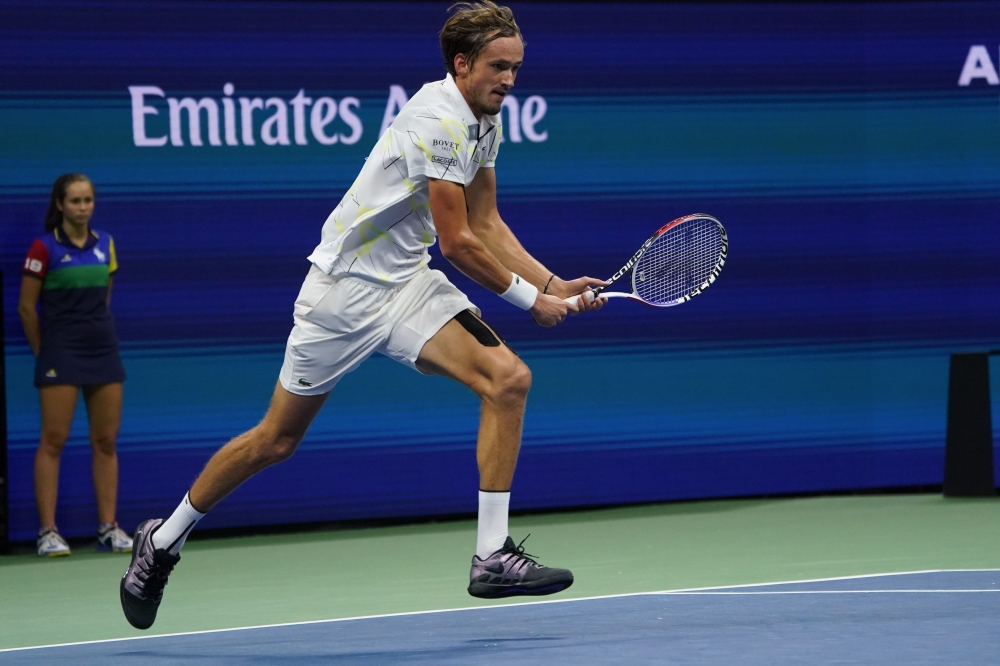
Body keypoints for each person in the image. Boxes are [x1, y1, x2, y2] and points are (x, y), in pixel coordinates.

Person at [120, 1, 604, 629]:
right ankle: (162, 540)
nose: (509, 80)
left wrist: (552, 283)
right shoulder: (437, 120)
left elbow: (486, 222)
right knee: (276, 440)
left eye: (515, 67)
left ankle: (491, 556)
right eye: (497, 67)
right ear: (462, 64)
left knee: (508, 380)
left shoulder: (485, 121)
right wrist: (529, 300)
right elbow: (459, 243)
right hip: (342, 292)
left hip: (406, 286)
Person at [19, 174, 133, 557]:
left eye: (88, 200)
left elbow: (104, 298)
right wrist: (45, 351)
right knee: (53, 441)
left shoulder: (106, 244)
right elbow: (26, 307)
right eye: (75, 201)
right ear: (60, 205)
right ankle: (48, 532)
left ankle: (108, 528)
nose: (83, 207)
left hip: (102, 349)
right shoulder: (43, 248)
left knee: (106, 441)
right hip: (60, 352)